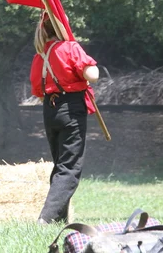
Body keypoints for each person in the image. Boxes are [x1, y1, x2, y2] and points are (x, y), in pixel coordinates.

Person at [29, 13, 99, 224]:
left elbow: (37, 89)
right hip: (71, 108)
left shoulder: (40, 55)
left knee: (61, 165)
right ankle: (46, 219)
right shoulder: (70, 48)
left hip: (50, 110)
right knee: (70, 168)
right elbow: (92, 74)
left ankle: (59, 220)